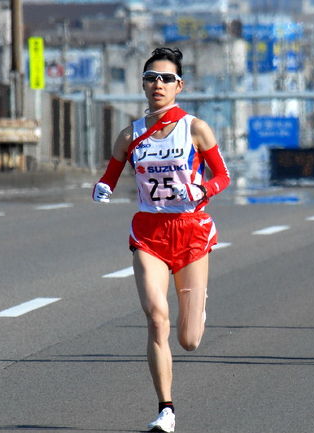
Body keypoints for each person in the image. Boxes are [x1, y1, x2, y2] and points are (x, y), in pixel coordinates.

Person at [92, 47, 230, 432]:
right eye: (151, 78)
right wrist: (101, 188)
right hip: (149, 234)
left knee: (188, 339)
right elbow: (110, 174)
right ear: (143, 84)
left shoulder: (196, 129)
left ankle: (198, 308)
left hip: (190, 233)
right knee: (156, 318)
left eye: (166, 79)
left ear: (179, 86)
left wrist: (205, 189)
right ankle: (165, 410)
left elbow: (223, 176)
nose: (158, 84)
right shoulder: (130, 134)